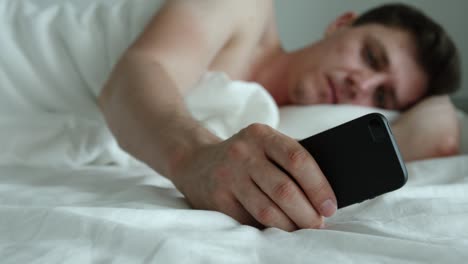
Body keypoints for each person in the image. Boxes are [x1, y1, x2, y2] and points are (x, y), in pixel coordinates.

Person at [98, 1, 461, 231]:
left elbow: (442, 130)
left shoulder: (284, 131)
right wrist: (193, 158)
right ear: (340, 24)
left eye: (382, 96)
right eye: (370, 56)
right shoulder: (245, 9)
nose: (360, 85)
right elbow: (134, 75)